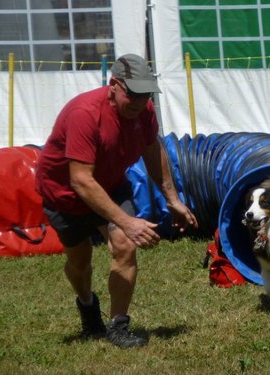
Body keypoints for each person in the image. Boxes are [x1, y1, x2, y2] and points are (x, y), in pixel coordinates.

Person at [36, 53, 198, 349]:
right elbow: (81, 180)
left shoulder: (144, 110)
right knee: (80, 262)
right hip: (65, 193)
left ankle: (118, 326)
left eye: (146, 94)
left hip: (110, 185)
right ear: (114, 85)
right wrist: (128, 222)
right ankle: (87, 307)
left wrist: (172, 198)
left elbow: (152, 150)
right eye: (133, 94)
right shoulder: (85, 113)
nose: (139, 102)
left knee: (124, 244)